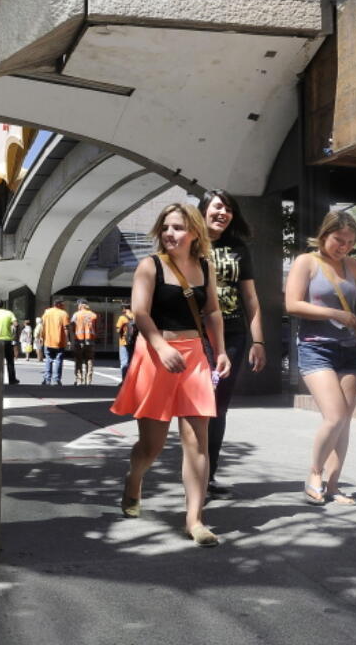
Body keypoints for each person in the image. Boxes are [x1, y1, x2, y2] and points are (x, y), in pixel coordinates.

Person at [111, 202, 231, 547]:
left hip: (195, 357)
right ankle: (134, 479)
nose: (170, 234)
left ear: (195, 231)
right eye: (166, 227)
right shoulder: (150, 266)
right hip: (155, 355)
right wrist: (162, 347)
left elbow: (212, 312)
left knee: (197, 441)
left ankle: (195, 520)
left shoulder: (205, 267)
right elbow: (140, 312)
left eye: (178, 227)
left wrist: (220, 351)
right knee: (153, 445)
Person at [285, 209, 356, 507]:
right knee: (333, 416)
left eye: (349, 241)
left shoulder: (354, 266)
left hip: (350, 350)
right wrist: (334, 313)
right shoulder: (306, 262)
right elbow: (292, 304)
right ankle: (314, 475)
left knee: (344, 421)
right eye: (338, 239)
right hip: (315, 347)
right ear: (323, 235)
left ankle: (333, 486)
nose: (343, 246)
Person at [200, 189, 265, 498]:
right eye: (217, 207)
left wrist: (259, 340)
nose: (223, 212)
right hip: (196, 334)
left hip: (234, 334)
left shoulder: (238, 247)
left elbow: (250, 297)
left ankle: (207, 474)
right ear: (202, 211)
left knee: (218, 406)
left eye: (228, 208)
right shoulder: (189, 242)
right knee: (197, 403)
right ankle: (194, 468)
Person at [40, 300, 71, 385]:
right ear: (59, 305)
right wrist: (68, 340)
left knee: (48, 360)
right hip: (59, 341)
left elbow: (42, 325)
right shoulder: (63, 314)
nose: (64, 306)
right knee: (58, 360)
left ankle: (47, 379)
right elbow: (66, 328)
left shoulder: (47, 313)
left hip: (48, 340)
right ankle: (56, 380)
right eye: (63, 305)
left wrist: (41, 337)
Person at [71, 300, 98, 385]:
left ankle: (79, 380)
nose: (77, 306)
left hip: (79, 340)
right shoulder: (93, 315)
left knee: (78, 360)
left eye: (78, 305)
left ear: (81, 305)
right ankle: (88, 381)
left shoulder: (76, 314)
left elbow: (72, 326)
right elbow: (97, 328)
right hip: (90, 341)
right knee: (89, 360)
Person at [115, 305, 135, 381]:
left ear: (124, 309)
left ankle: (124, 381)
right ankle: (131, 380)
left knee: (124, 362)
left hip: (124, 342)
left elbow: (118, 330)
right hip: (133, 342)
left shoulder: (122, 318)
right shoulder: (135, 317)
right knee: (131, 362)